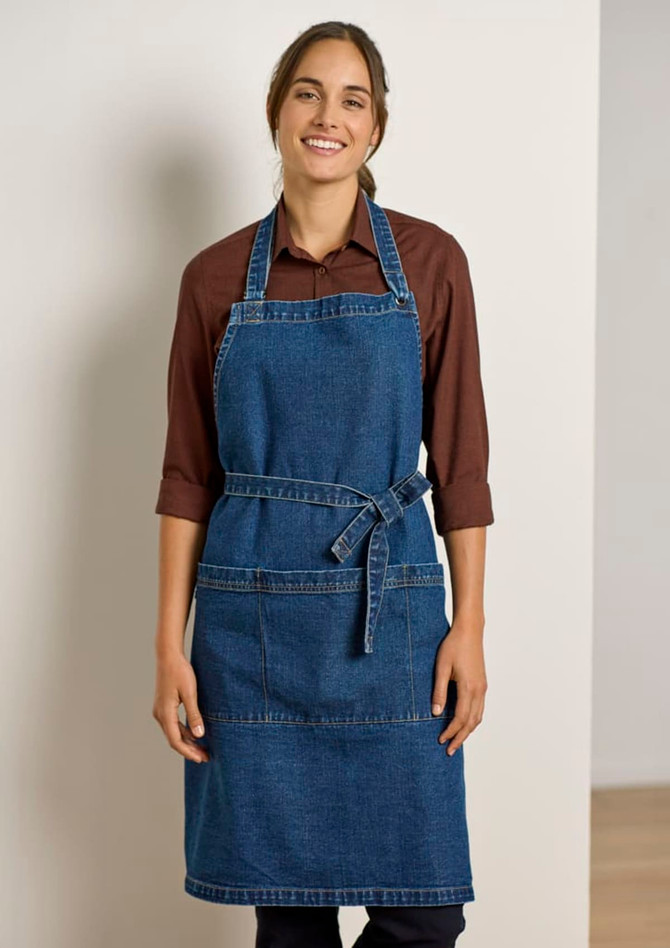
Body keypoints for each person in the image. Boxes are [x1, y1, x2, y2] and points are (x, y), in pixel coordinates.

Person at [152, 20, 493, 948]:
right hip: (251, 624)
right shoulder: (214, 277)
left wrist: (470, 623)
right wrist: (168, 647)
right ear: (276, 112)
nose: (327, 115)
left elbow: (460, 465)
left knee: (425, 917)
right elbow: (189, 475)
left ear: (376, 127)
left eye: (352, 98)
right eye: (308, 92)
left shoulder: (430, 264)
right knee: (290, 925)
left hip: (397, 619)